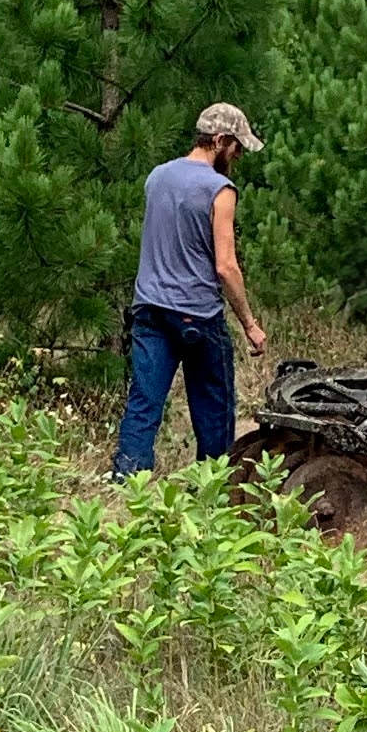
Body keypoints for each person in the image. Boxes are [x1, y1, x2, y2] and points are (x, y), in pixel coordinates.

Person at [114, 102, 269, 477]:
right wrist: (249, 324)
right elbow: (226, 266)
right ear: (219, 141)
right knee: (214, 410)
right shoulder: (220, 189)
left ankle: (125, 485)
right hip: (196, 315)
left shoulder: (157, 177)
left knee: (143, 403)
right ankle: (212, 489)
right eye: (236, 148)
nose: (238, 156)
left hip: (149, 309)